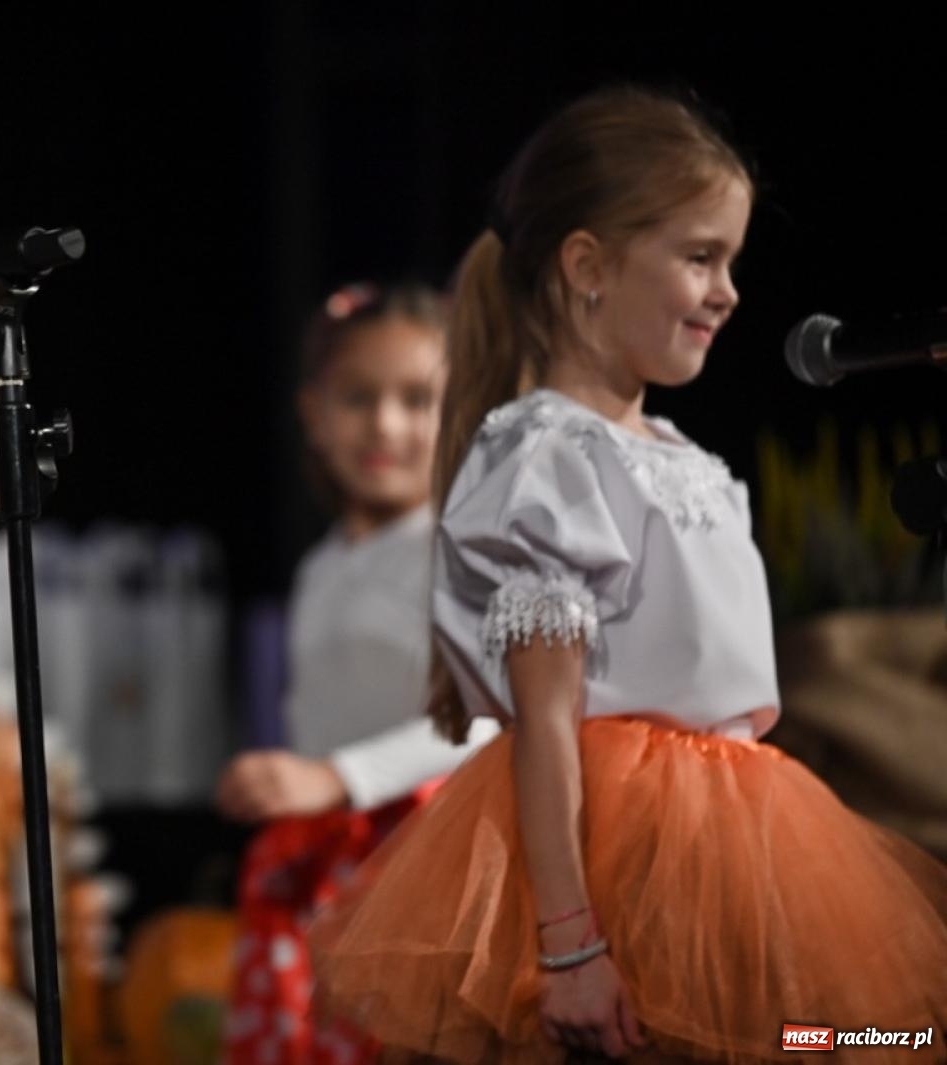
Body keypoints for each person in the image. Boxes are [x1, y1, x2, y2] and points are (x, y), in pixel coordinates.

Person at [309, 86, 947, 1063]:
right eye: (699, 258)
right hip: (616, 862)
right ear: (587, 266)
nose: (727, 292)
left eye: (730, 261)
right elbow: (547, 722)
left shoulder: (692, 459)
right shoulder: (548, 459)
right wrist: (570, 947)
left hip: (739, 846)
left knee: (860, 1040)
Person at [216, 281, 498, 1064]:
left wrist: (339, 776)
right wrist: (289, 786)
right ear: (313, 413)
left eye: (417, 399)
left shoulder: (462, 547)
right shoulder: (319, 570)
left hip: (430, 864)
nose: (386, 424)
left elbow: (488, 713)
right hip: (332, 869)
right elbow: (317, 714)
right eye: (358, 398)